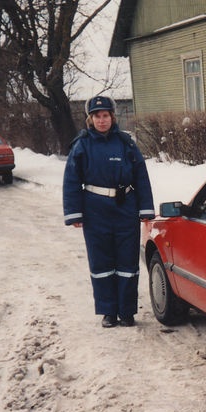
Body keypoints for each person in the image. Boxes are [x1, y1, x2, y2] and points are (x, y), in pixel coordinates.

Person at [63, 95, 156, 328]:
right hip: (95, 210)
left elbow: (141, 177)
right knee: (102, 262)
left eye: (105, 116)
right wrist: (74, 212)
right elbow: (71, 180)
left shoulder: (126, 143)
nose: (102, 120)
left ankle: (126, 312)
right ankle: (108, 312)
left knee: (127, 262)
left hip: (125, 208)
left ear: (112, 117)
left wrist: (145, 211)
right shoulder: (82, 144)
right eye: (97, 116)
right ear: (90, 119)